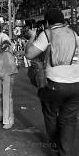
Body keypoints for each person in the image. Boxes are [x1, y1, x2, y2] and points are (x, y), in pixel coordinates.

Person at [25, 8, 79, 156]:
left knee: (50, 114)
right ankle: (65, 152)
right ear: (63, 21)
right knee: (69, 120)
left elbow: (29, 54)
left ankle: (55, 144)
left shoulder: (47, 34)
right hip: (76, 84)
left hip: (54, 84)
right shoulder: (74, 34)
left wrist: (31, 37)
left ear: (47, 22)